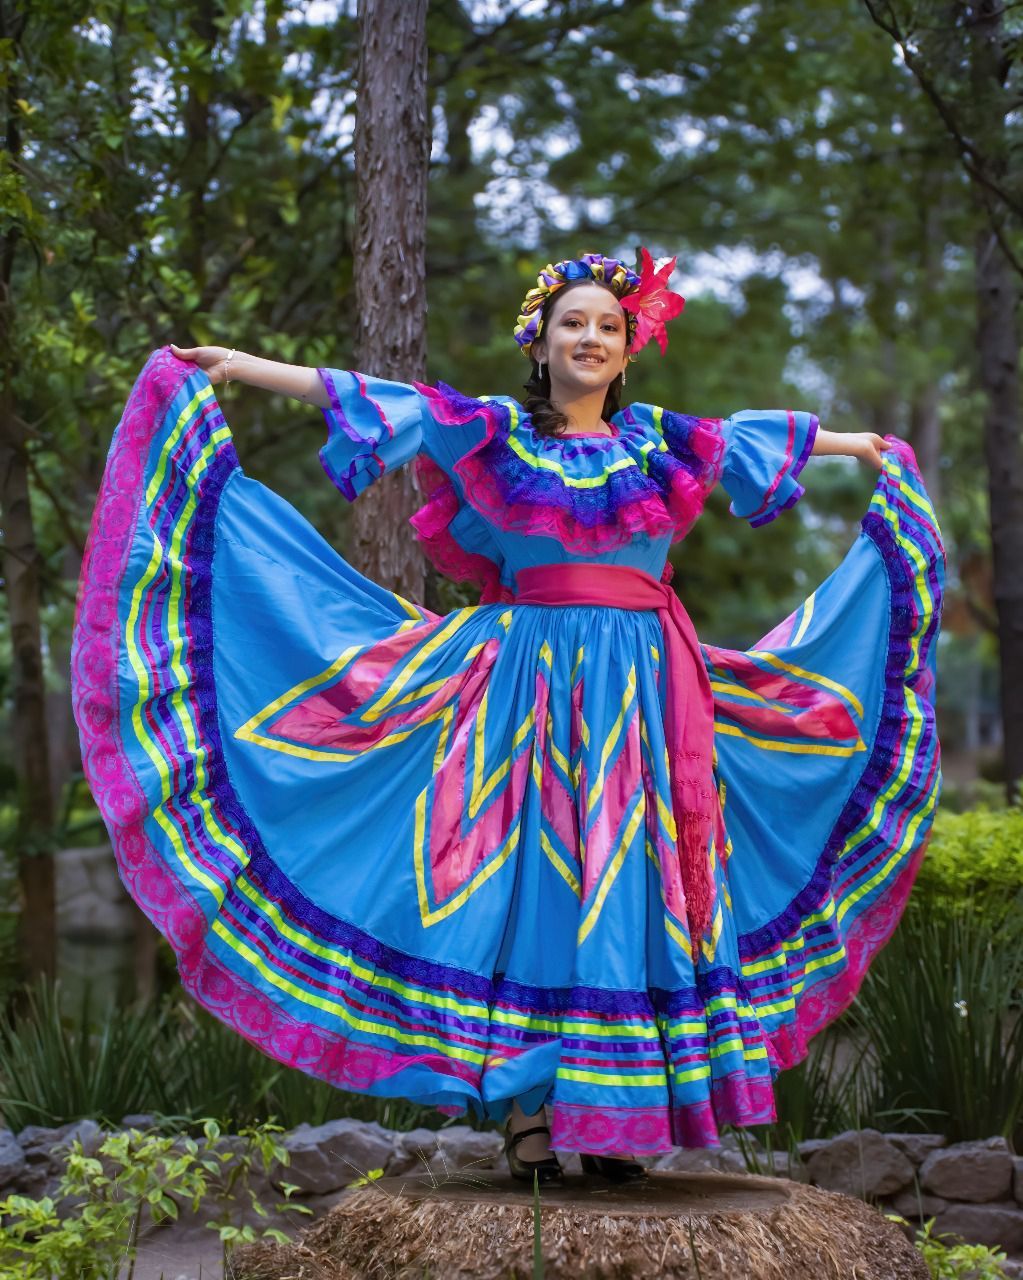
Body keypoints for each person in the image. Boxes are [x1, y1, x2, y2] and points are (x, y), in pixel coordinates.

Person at [71, 250, 942, 1187]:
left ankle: (617, 1120)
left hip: (648, 697)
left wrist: (864, 449)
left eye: (608, 326)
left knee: (633, 888)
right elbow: (374, 397)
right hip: (522, 693)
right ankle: (530, 1119)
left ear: (627, 344)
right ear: (541, 338)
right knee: (530, 889)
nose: (591, 338)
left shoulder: (659, 441)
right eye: (573, 322)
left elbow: (758, 440)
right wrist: (238, 369)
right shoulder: (488, 433)